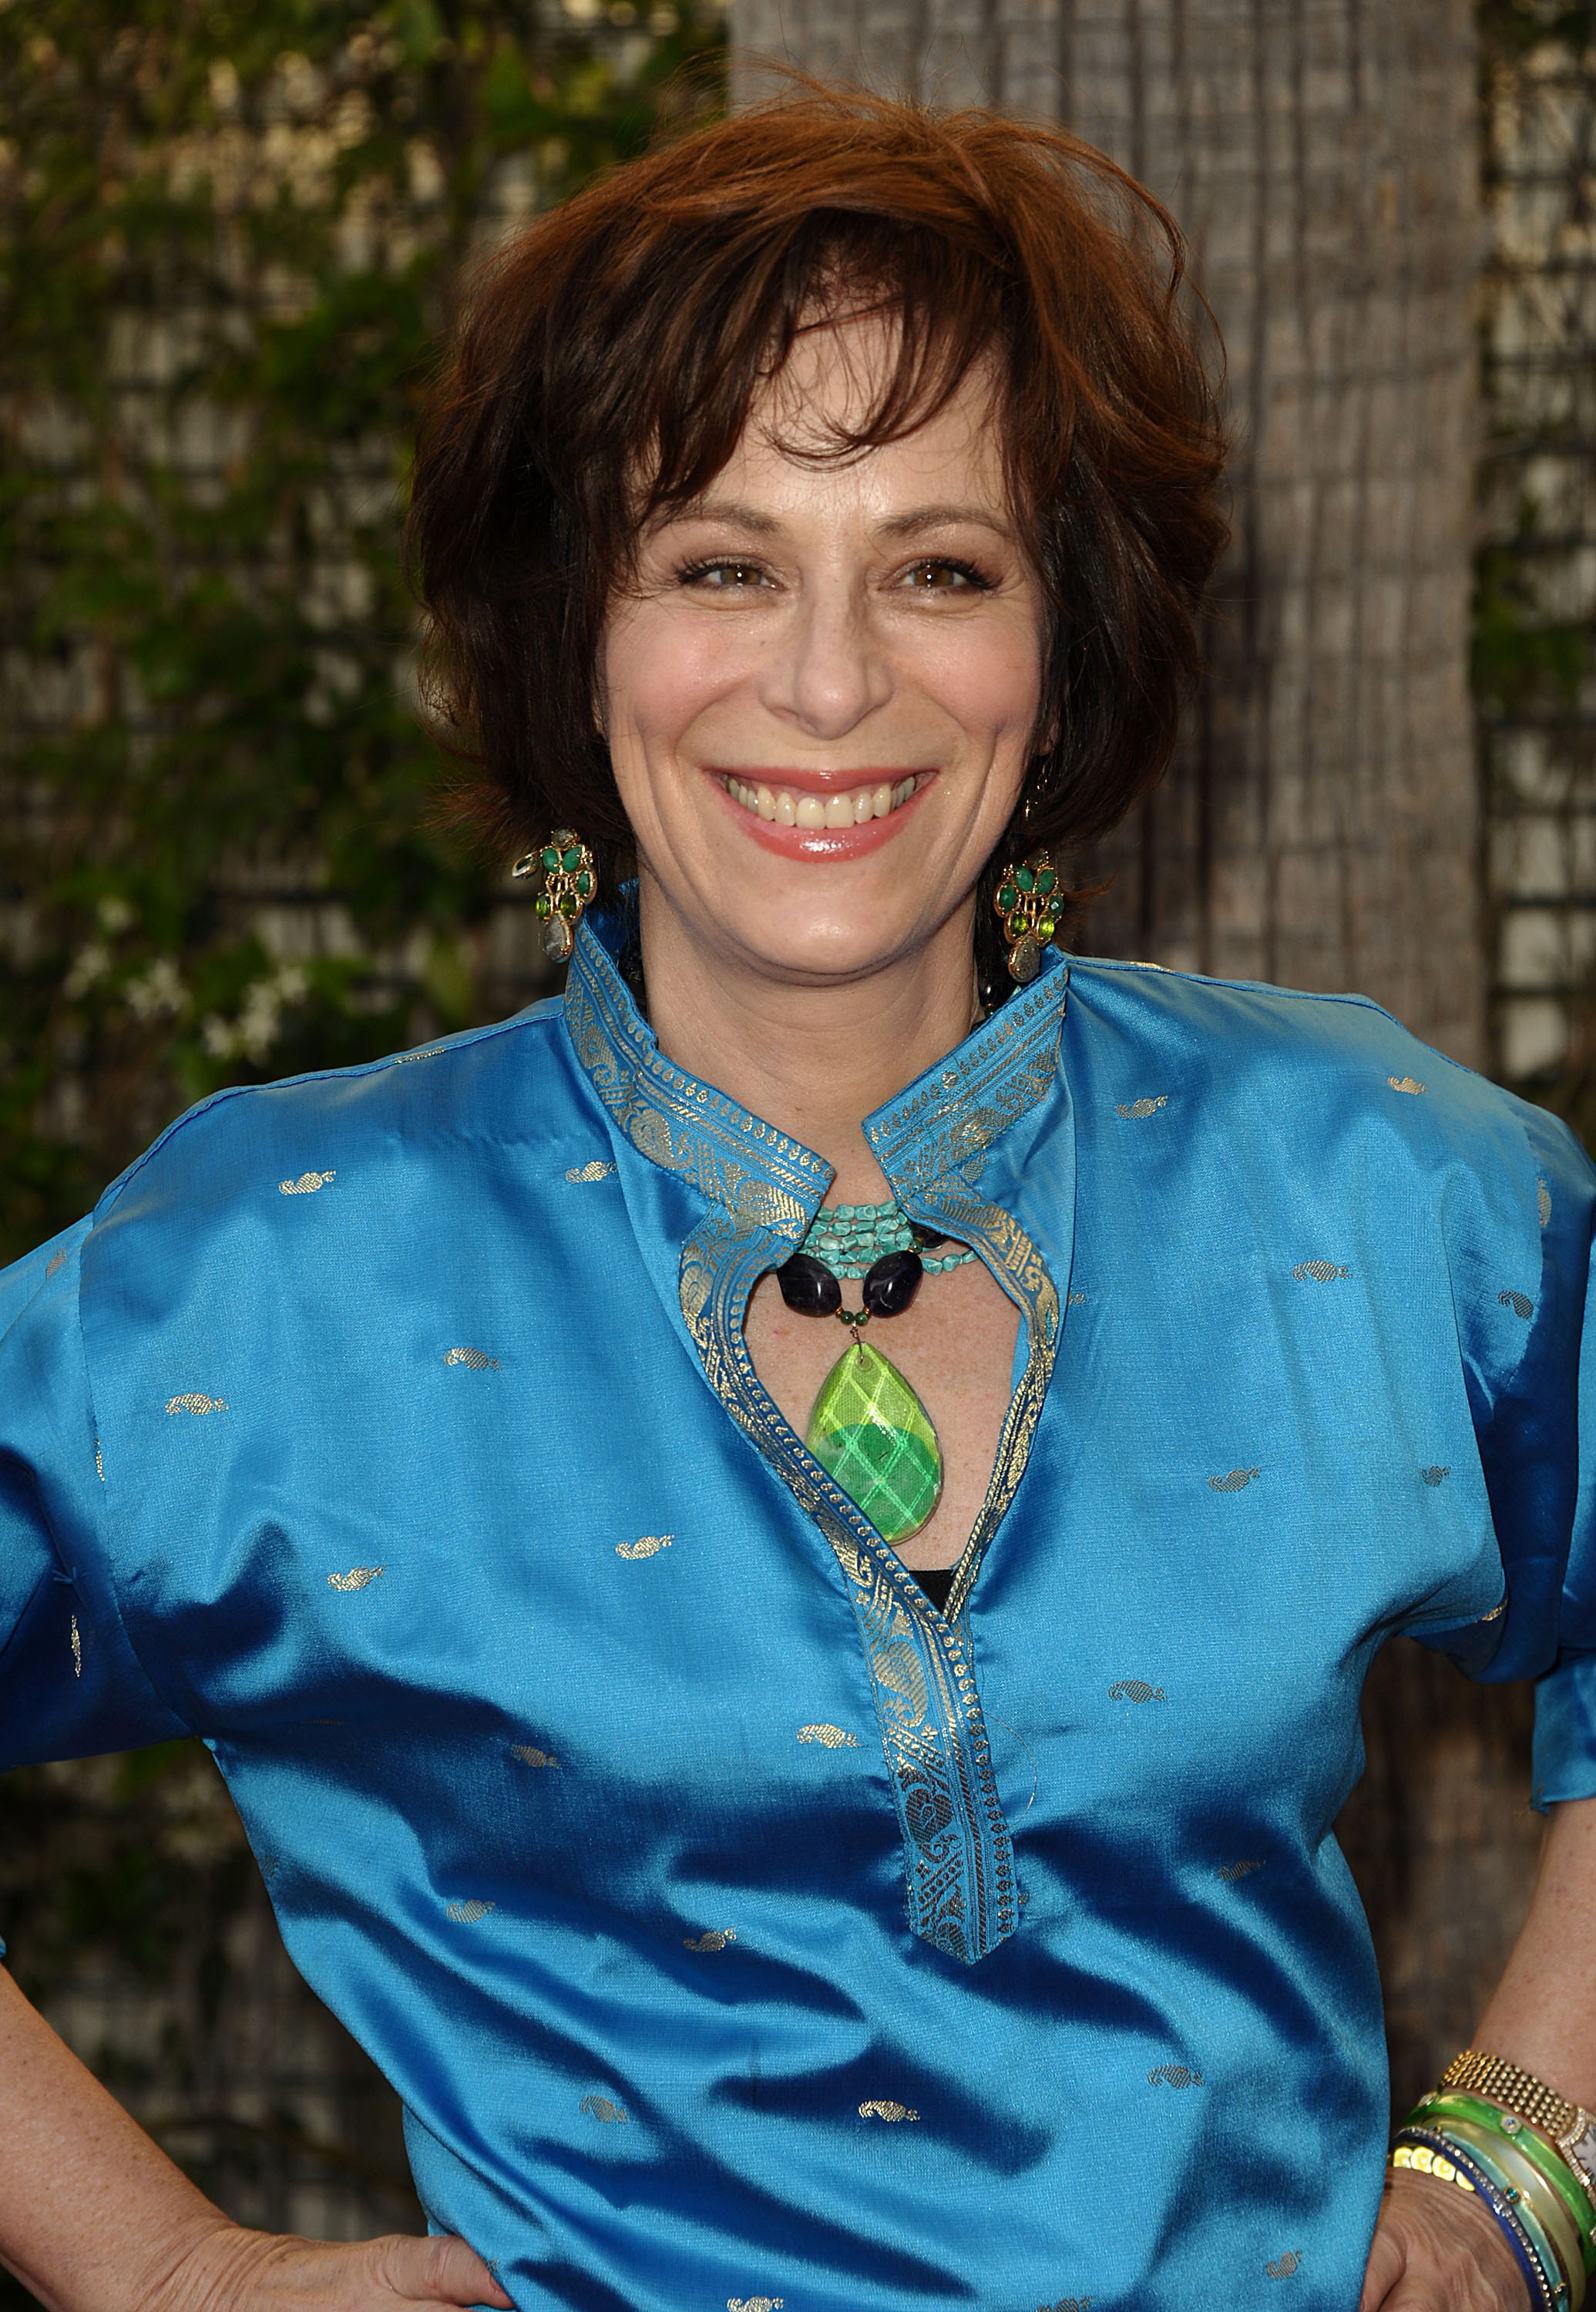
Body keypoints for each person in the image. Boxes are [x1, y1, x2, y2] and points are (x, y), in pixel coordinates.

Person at [0, 82, 1592, 2312]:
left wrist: (1531, 2159)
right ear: (581, 633)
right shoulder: (271, 1268)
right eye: (720, 563)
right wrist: (161, 2267)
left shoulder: (1373, 1175)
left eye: (939, 569)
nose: (830, 684)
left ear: (1063, 650)